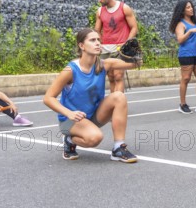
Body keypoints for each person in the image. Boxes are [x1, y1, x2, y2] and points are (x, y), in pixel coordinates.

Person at [44, 28, 142, 162]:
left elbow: (134, 64)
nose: (97, 43)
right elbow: (48, 98)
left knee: (119, 96)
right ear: (81, 45)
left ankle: (118, 148)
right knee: (95, 138)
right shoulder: (70, 70)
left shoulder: (104, 64)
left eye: (98, 40)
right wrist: (69, 113)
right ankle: (69, 140)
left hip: (93, 116)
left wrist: (135, 55)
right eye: (92, 40)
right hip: (70, 120)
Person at [169, 0, 196, 114]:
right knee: (186, 78)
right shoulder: (181, 24)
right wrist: (190, 31)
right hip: (186, 54)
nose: (191, 9)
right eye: (188, 7)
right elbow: (180, 40)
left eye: (191, 7)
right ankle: (182, 104)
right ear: (183, 10)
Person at [94, 0, 138, 93]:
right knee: (111, 77)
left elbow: (134, 27)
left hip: (120, 47)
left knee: (118, 76)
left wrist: (127, 44)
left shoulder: (124, 8)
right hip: (105, 47)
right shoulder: (99, 11)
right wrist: (98, 44)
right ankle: (113, 103)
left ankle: (119, 104)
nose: (99, 0)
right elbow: (97, 30)